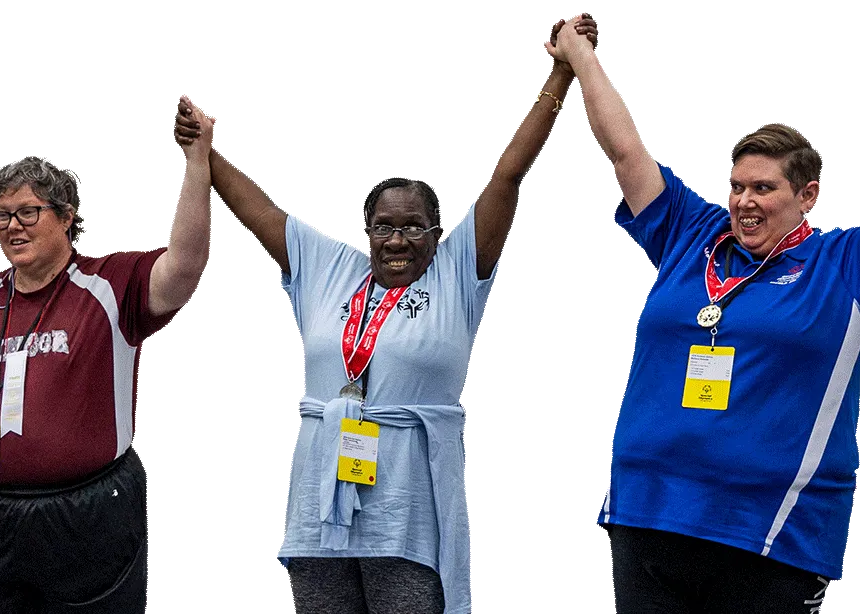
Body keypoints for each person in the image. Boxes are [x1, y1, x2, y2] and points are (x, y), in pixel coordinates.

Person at [548, 17, 860, 612]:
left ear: (808, 195)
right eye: (737, 186)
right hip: (650, 511)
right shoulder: (692, 233)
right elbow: (623, 148)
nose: (744, 201)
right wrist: (582, 55)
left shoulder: (848, 263)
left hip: (768, 531)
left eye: (764, 188)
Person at [171, 17, 597, 614]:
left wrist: (561, 72)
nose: (397, 241)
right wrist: (203, 152)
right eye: (383, 227)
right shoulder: (331, 267)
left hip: (407, 515)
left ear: (438, 233)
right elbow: (258, 210)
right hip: (322, 507)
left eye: (412, 227)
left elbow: (507, 173)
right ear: (365, 233)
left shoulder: (456, 271)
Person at [0, 97, 215, 612]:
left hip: (87, 513)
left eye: (28, 213)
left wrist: (196, 163)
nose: (14, 227)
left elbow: (186, 264)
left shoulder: (109, 285)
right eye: (4, 215)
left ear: (66, 217)